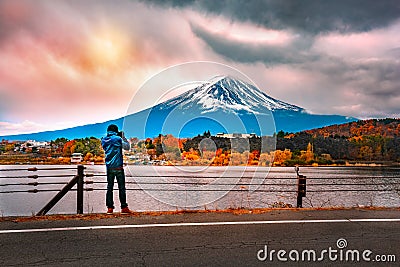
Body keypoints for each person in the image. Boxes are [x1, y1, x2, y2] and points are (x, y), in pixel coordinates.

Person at [101, 124, 132, 214]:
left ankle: (110, 208)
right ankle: (124, 207)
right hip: (118, 167)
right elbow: (127, 147)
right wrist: (123, 137)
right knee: (121, 187)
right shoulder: (118, 139)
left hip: (109, 167)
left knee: (109, 187)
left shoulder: (103, 140)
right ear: (116, 131)